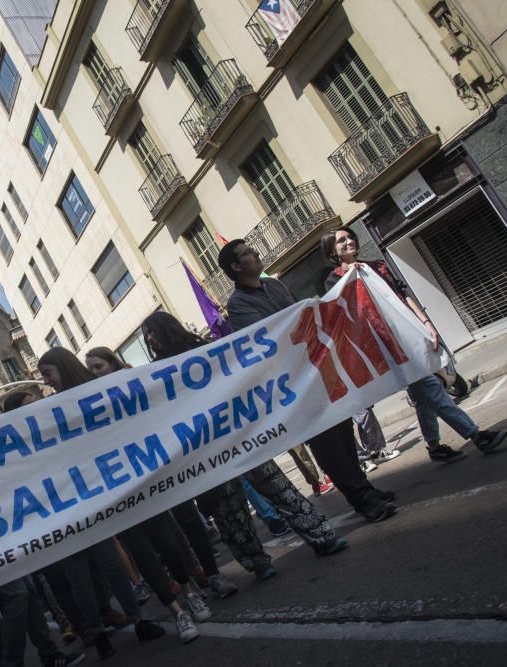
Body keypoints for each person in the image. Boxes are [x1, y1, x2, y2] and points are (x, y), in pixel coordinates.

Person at [140, 312, 349, 577]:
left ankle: (322, 538)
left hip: (241, 437)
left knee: (279, 488)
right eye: (146, 335)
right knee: (230, 511)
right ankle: (258, 564)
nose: (149, 338)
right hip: (207, 451)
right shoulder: (154, 374)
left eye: (152, 331)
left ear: (167, 328)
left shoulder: (206, 351)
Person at [217, 239, 398, 523]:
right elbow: (274, 334)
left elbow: (303, 317)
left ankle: (365, 488)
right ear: (237, 267)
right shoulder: (238, 305)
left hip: (318, 369)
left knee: (343, 433)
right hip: (294, 384)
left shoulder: (274, 286)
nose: (255, 253)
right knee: (326, 443)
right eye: (247, 254)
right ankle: (362, 500)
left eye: (253, 249)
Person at [321, 227, 507, 462]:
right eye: (341, 241)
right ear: (332, 250)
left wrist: (426, 323)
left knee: (422, 397)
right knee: (432, 389)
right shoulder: (334, 279)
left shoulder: (376, 266)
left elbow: (402, 294)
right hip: (387, 350)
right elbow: (343, 311)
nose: (349, 242)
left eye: (350, 237)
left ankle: (435, 447)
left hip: (407, 338)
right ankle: (477, 436)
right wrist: (352, 278)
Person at [37, 348, 168, 659]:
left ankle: (138, 620)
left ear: (63, 369)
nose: (46, 382)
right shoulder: (49, 408)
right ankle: (99, 636)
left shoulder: (93, 393)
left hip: (94, 497)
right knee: (79, 574)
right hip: (66, 503)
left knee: (111, 564)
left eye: (48, 374)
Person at [83, 347, 216, 643]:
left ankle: (190, 593)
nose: (95, 373)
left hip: (150, 487)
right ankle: (177, 612)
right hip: (120, 498)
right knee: (144, 557)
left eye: (98, 366)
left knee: (170, 546)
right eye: (90, 369)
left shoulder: (136, 383)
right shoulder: (85, 405)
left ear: (112, 364)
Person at [0, 397, 88, 666]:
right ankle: (12, 660)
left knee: (29, 592)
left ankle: (49, 652)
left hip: (16, 530)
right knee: (18, 594)